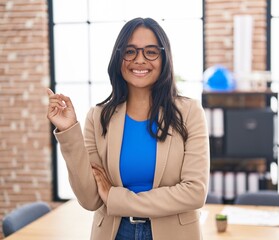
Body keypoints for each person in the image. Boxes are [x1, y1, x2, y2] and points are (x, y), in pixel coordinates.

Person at [47, 17, 210, 240]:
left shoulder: (189, 112)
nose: (140, 60)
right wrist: (69, 131)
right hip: (115, 233)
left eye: (151, 52)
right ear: (119, 57)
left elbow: (194, 193)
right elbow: (90, 199)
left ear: (164, 58)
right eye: (130, 51)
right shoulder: (97, 116)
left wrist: (117, 199)